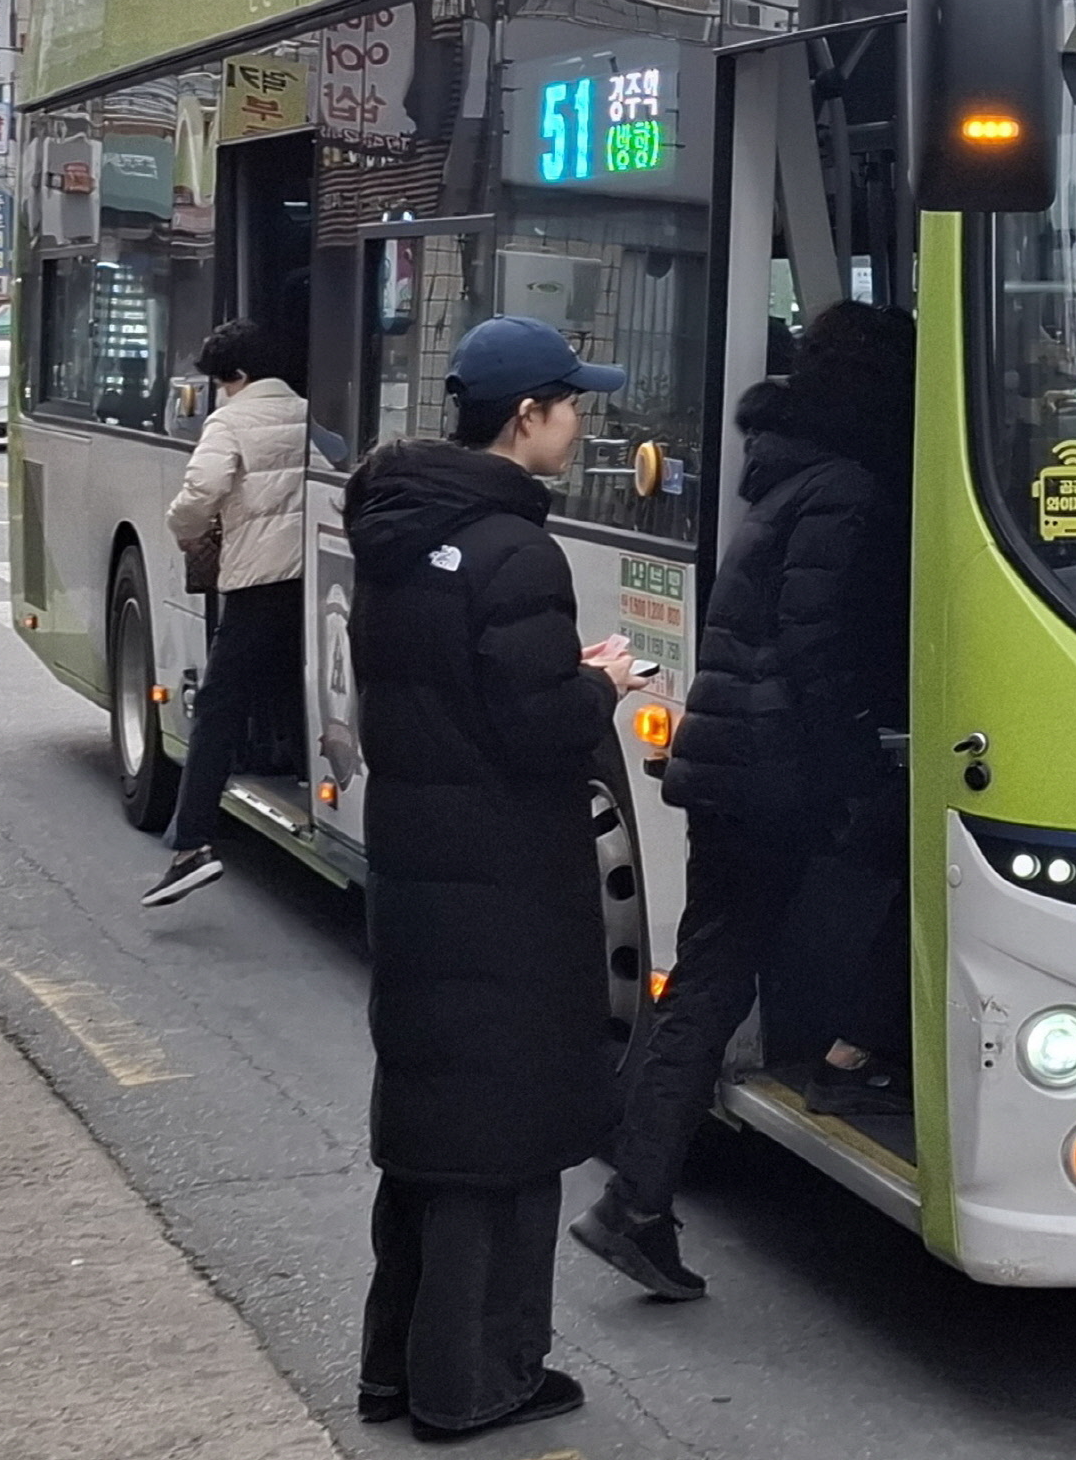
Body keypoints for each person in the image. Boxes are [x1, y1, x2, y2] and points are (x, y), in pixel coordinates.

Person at [572, 300, 916, 1304]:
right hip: (771, 767)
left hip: (734, 760)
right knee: (723, 974)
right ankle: (635, 1199)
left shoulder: (785, 468)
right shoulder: (846, 488)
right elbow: (816, 649)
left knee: (717, 969)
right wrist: (857, 756)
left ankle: (634, 1191)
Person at [345, 315, 643, 1441]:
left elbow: (433, 699)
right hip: (508, 882)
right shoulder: (519, 550)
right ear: (528, 415)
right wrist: (600, 680)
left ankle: (397, 1368)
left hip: (420, 866)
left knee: (429, 1121)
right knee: (506, 1132)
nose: (581, 423)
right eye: (573, 404)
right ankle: (478, 1380)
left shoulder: (398, 526)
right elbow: (534, 729)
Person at [141, 318, 307, 908]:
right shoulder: (311, 413)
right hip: (307, 579)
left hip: (257, 580)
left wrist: (184, 531)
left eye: (220, 380)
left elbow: (200, 493)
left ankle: (192, 847)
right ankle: (309, 781)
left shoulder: (231, 420)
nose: (218, 390)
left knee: (218, 707)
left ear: (235, 375)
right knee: (293, 679)